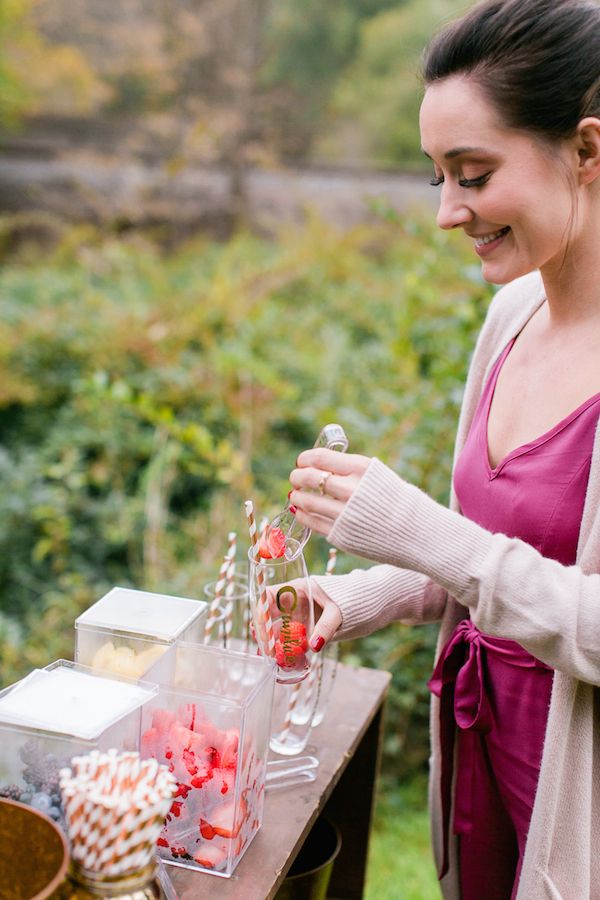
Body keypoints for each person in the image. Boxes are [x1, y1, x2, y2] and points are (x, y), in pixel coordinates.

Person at [285, 1, 600, 897]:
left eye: (473, 174)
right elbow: (488, 553)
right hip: (479, 750)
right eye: (438, 179)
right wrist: (355, 595)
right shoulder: (509, 317)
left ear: (585, 150)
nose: (448, 213)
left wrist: (422, 531)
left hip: (576, 788)